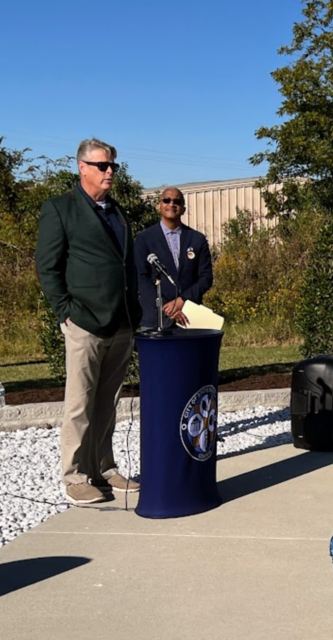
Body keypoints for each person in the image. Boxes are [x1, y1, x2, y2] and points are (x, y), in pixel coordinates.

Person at [35, 138, 142, 505]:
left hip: (121, 323)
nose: (110, 171)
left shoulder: (116, 211)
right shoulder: (60, 209)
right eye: (102, 165)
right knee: (79, 403)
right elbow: (48, 267)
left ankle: (104, 468)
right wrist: (65, 310)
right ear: (82, 168)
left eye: (112, 165)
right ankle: (75, 476)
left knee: (107, 403)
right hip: (84, 321)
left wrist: (135, 311)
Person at [134, 187, 213, 330]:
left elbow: (205, 278)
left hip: (189, 317)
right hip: (155, 319)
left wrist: (182, 301)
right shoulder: (144, 239)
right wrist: (167, 307)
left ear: (183, 209)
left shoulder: (197, 239)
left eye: (177, 201)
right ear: (159, 206)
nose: (171, 204)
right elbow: (141, 278)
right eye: (166, 200)